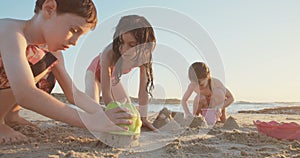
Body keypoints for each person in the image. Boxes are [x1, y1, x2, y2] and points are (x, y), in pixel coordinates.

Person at [0, 0, 132, 144]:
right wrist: (90, 121)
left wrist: (102, 113)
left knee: (46, 69)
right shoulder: (10, 30)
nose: (75, 42)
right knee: (33, 61)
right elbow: (25, 93)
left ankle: (11, 115)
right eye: (74, 30)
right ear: (49, 9)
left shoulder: (51, 51)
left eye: (80, 36)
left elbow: (72, 94)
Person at [85, 15, 157, 131]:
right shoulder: (108, 53)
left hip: (113, 78)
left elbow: (143, 91)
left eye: (132, 45)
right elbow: (107, 94)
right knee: (92, 110)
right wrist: (110, 114)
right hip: (94, 73)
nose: (124, 49)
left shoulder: (144, 57)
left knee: (126, 111)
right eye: (121, 42)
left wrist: (144, 118)